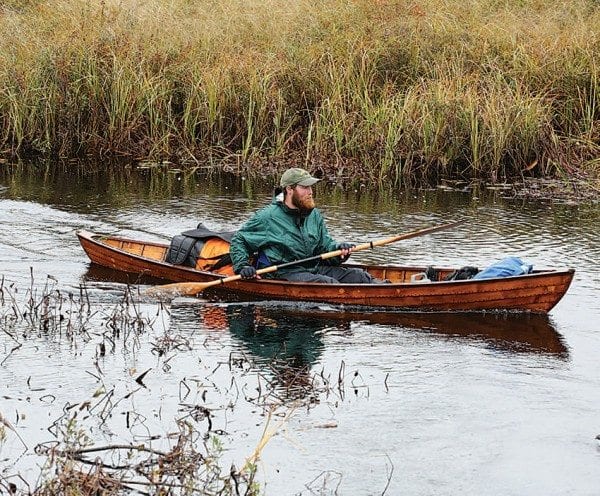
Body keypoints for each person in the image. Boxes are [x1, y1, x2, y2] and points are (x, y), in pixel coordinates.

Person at [229, 167, 388, 284]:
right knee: (326, 284)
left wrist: (339, 251)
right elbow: (239, 240)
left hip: (313, 268)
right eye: (305, 187)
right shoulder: (267, 217)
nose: (310, 192)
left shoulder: (314, 215)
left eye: (311, 187)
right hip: (284, 273)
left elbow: (325, 247)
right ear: (289, 189)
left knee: (358, 276)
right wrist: (242, 266)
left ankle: (389, 291)